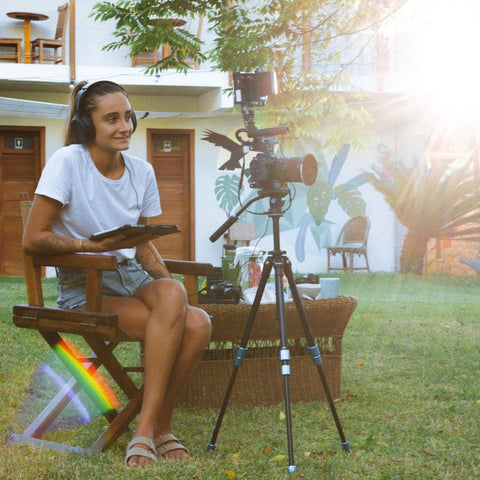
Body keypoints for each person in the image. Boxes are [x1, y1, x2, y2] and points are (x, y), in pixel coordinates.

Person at [22, 80, 212, 467]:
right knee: (189, 327)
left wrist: (163, 278)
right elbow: (33, 239)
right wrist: (93, 248)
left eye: (128, 117)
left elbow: (139, 241)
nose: (124, 126)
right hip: (86, 283)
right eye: (111, 119)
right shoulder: (68, 162)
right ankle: (153, 430)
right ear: (87, 125)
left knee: (193, 313)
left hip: (132, 277)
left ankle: (153, 425)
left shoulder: (141, 172)